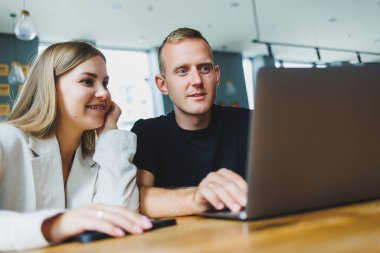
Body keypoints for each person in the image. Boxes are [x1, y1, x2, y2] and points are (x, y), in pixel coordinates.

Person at [0, 42, 152, 251]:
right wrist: (57, 224)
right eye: (88, 81)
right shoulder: (6, 140)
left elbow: (120, 216)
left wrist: (109, 132)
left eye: (105, 83)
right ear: (51, 87)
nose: (104, 94)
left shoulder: (96, 159)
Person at [131, 28, 251, 218]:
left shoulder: (250, 122)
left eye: (204, 68)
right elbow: (137, 198)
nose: (196, 80)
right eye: (182, 71)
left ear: (216, 75)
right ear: (162, 85)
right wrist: (197, 198)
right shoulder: (147, 133)